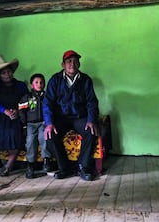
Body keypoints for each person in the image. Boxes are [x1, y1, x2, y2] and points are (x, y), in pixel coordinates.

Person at [43, 50, 99, 181]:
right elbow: (47, 103)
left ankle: (82, 167)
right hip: (61, 119)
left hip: (79, 117)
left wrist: (91, 120)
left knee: (90, 131)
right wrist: (49, 123)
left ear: (79, 64)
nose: (72, 64)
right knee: (50, 135)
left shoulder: (85, 80)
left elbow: (92, 102)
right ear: (63, 64)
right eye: (69, 61)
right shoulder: (55, 80)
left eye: (75, 61)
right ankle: (65, 168)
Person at [18, 73, 53, 179]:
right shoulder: (27, 97)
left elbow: (51, 110)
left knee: (44, 138)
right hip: (30, 124)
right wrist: (24, 125)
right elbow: (21, 111)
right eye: (36, 82)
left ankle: (46, 161)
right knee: (30, 141)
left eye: (42, 82)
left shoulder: (47, 96)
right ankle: (30, 165)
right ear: (31, 85)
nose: (39, 84)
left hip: (43, 123)